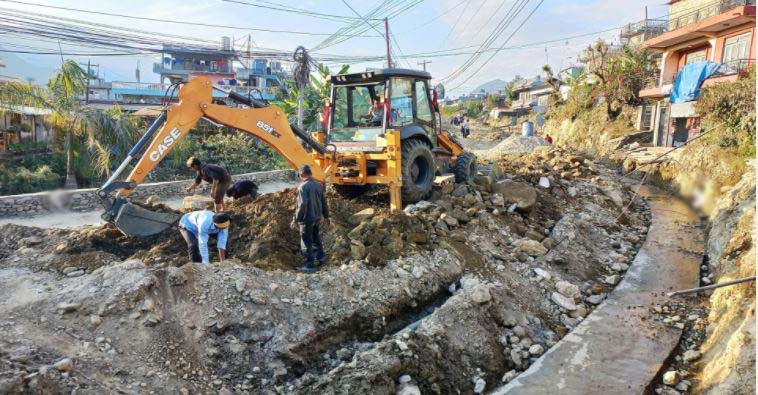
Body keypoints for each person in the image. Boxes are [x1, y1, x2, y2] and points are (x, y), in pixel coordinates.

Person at [290, 164, 329, 273]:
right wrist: (326, 216)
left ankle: (310, 265)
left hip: (307, 218)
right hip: (317, 217)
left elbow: (302, 205)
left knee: (306, 241)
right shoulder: (318, 185)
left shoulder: (303, 187)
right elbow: (323, 202)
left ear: (301, 174)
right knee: (315, 238)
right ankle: (321, 257)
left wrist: (296, 219)